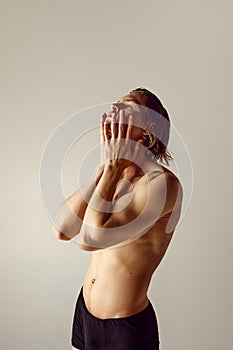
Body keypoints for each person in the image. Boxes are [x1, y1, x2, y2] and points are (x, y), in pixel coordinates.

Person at [52, 88, 183, 349]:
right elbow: (62, 229)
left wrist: (110, 170)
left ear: (147, 130)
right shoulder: (111, 177)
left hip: (126, 325)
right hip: (86, 312)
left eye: (128, 107)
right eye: (116, 105)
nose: (114, 110)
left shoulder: (161, 184)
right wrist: (104, 168)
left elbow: (89, 238)